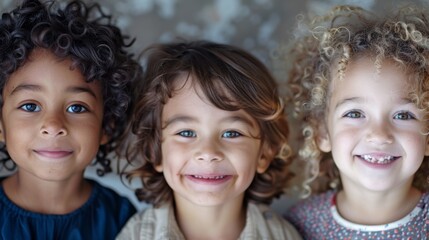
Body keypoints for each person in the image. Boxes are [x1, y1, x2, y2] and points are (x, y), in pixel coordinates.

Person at [116, 40, 302, 239]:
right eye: (186, 133)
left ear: (264, 153)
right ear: (155, 151)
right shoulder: (135, 234)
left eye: (232, 133)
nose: (208, 152)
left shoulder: (283, 235)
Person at [282, 4, 429, 239]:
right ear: (322, 132)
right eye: (355, 114)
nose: (379, 134)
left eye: (403, 115)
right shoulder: (297, 226)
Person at [0, 0, 141, 239]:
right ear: (1, 125)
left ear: (107, 124)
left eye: (77, 107)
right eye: (30, 105)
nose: (53, 126)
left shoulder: (122, 218)